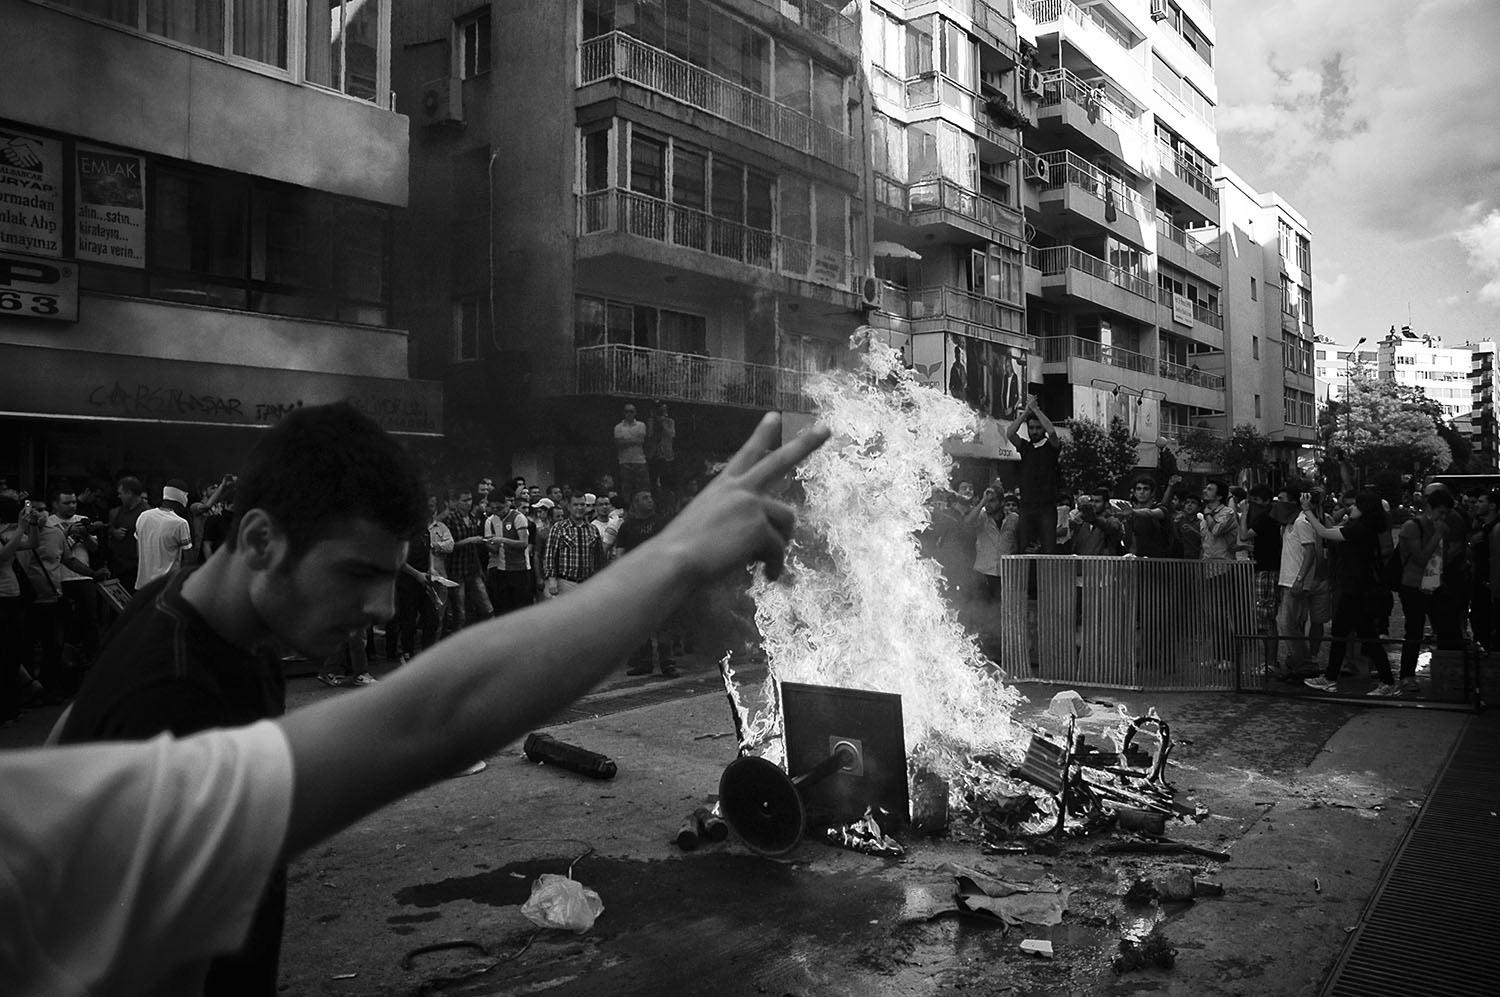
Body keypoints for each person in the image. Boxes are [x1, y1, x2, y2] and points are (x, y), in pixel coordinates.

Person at [0, 409, 828, 997]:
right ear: (259, 540)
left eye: (390, 578)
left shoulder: (191, 616)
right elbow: (435, 714)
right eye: (356, 574)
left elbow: (67, 745)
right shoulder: (172, 692)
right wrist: (678, 556)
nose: (382, 611)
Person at [1301, 492, 1400, 696]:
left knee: (1348, 634)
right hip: (1359, 587)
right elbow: (1331, 529)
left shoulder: (1359, 529)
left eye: (1355, 506)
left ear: (1364, 509)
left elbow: (1323, 532)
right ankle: (1380, 680)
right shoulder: (1364, 527)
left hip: (1356, 589)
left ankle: (1334, 678)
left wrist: (1307, 511)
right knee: (1357, 634)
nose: (1350, 509)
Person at [1005, 398, 1060, 554]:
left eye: (1038, 428)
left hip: (1046, 507)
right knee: (1024, 548)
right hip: (1027, 506)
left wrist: (1036, 410)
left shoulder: (1051, 447)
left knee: (1048, 549)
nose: (1034, 431)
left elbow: (1052, 432)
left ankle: (1047, 578)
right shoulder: (1026, 447)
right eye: (1031, 428)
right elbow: (1010, 433)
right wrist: (1025, 413)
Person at [544, 492, 607, 599]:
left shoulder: (593, 529)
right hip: (566, 582)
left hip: (588, 583)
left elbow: (599, 558)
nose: (579, 508)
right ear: (569, 507)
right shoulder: (559, 528)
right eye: (576, 504)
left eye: (582, 504)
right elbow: (550, 555)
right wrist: (552, 580)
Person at [135, 481, 193, 590]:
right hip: (166, 587)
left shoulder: (143, 516)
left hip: (143, 586)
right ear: (182, 497)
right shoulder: (180, 523)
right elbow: (189, 560)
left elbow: (138, 551)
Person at [106, 476, 148, 592]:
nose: (119, 496)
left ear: (129, 493)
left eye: (121, 493)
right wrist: (114, 532)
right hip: (118, 565)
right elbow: (110, 527)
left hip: (135, 568)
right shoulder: (120, 510)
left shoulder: (146, 513)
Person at [614, 403, 651, 501]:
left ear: (635, 413)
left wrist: (626, 440)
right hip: (624, 462)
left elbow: (641, 441)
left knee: (643, 489)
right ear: (623, 413)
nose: (629, 414)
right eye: (627, 411)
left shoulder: (641, 425)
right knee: (626, 489)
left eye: (631, 411)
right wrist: (633, 440)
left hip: (640, 461)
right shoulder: (618, 427)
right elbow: (619, 444)